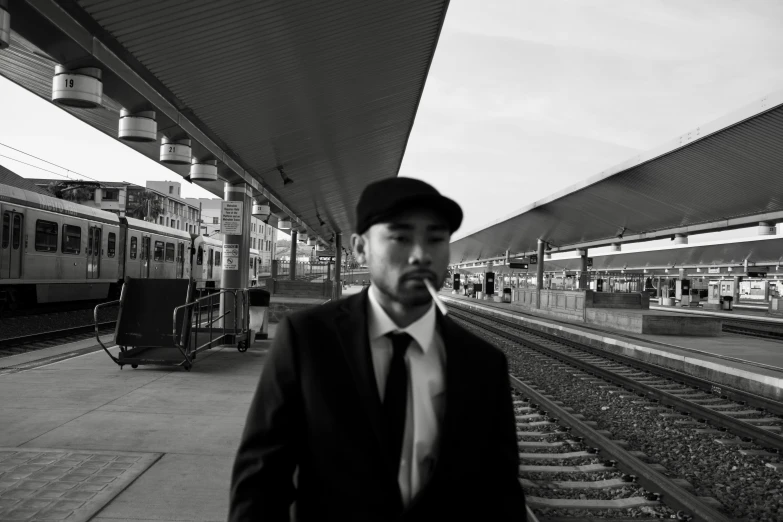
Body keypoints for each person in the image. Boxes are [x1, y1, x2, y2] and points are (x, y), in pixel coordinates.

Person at [229, 177, 526, 521]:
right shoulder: (308, 340)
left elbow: (500, 492)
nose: (420, 255)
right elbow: (262, 478)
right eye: (400, 237)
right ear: (359, 247)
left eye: (436, 238)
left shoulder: (482, 362)